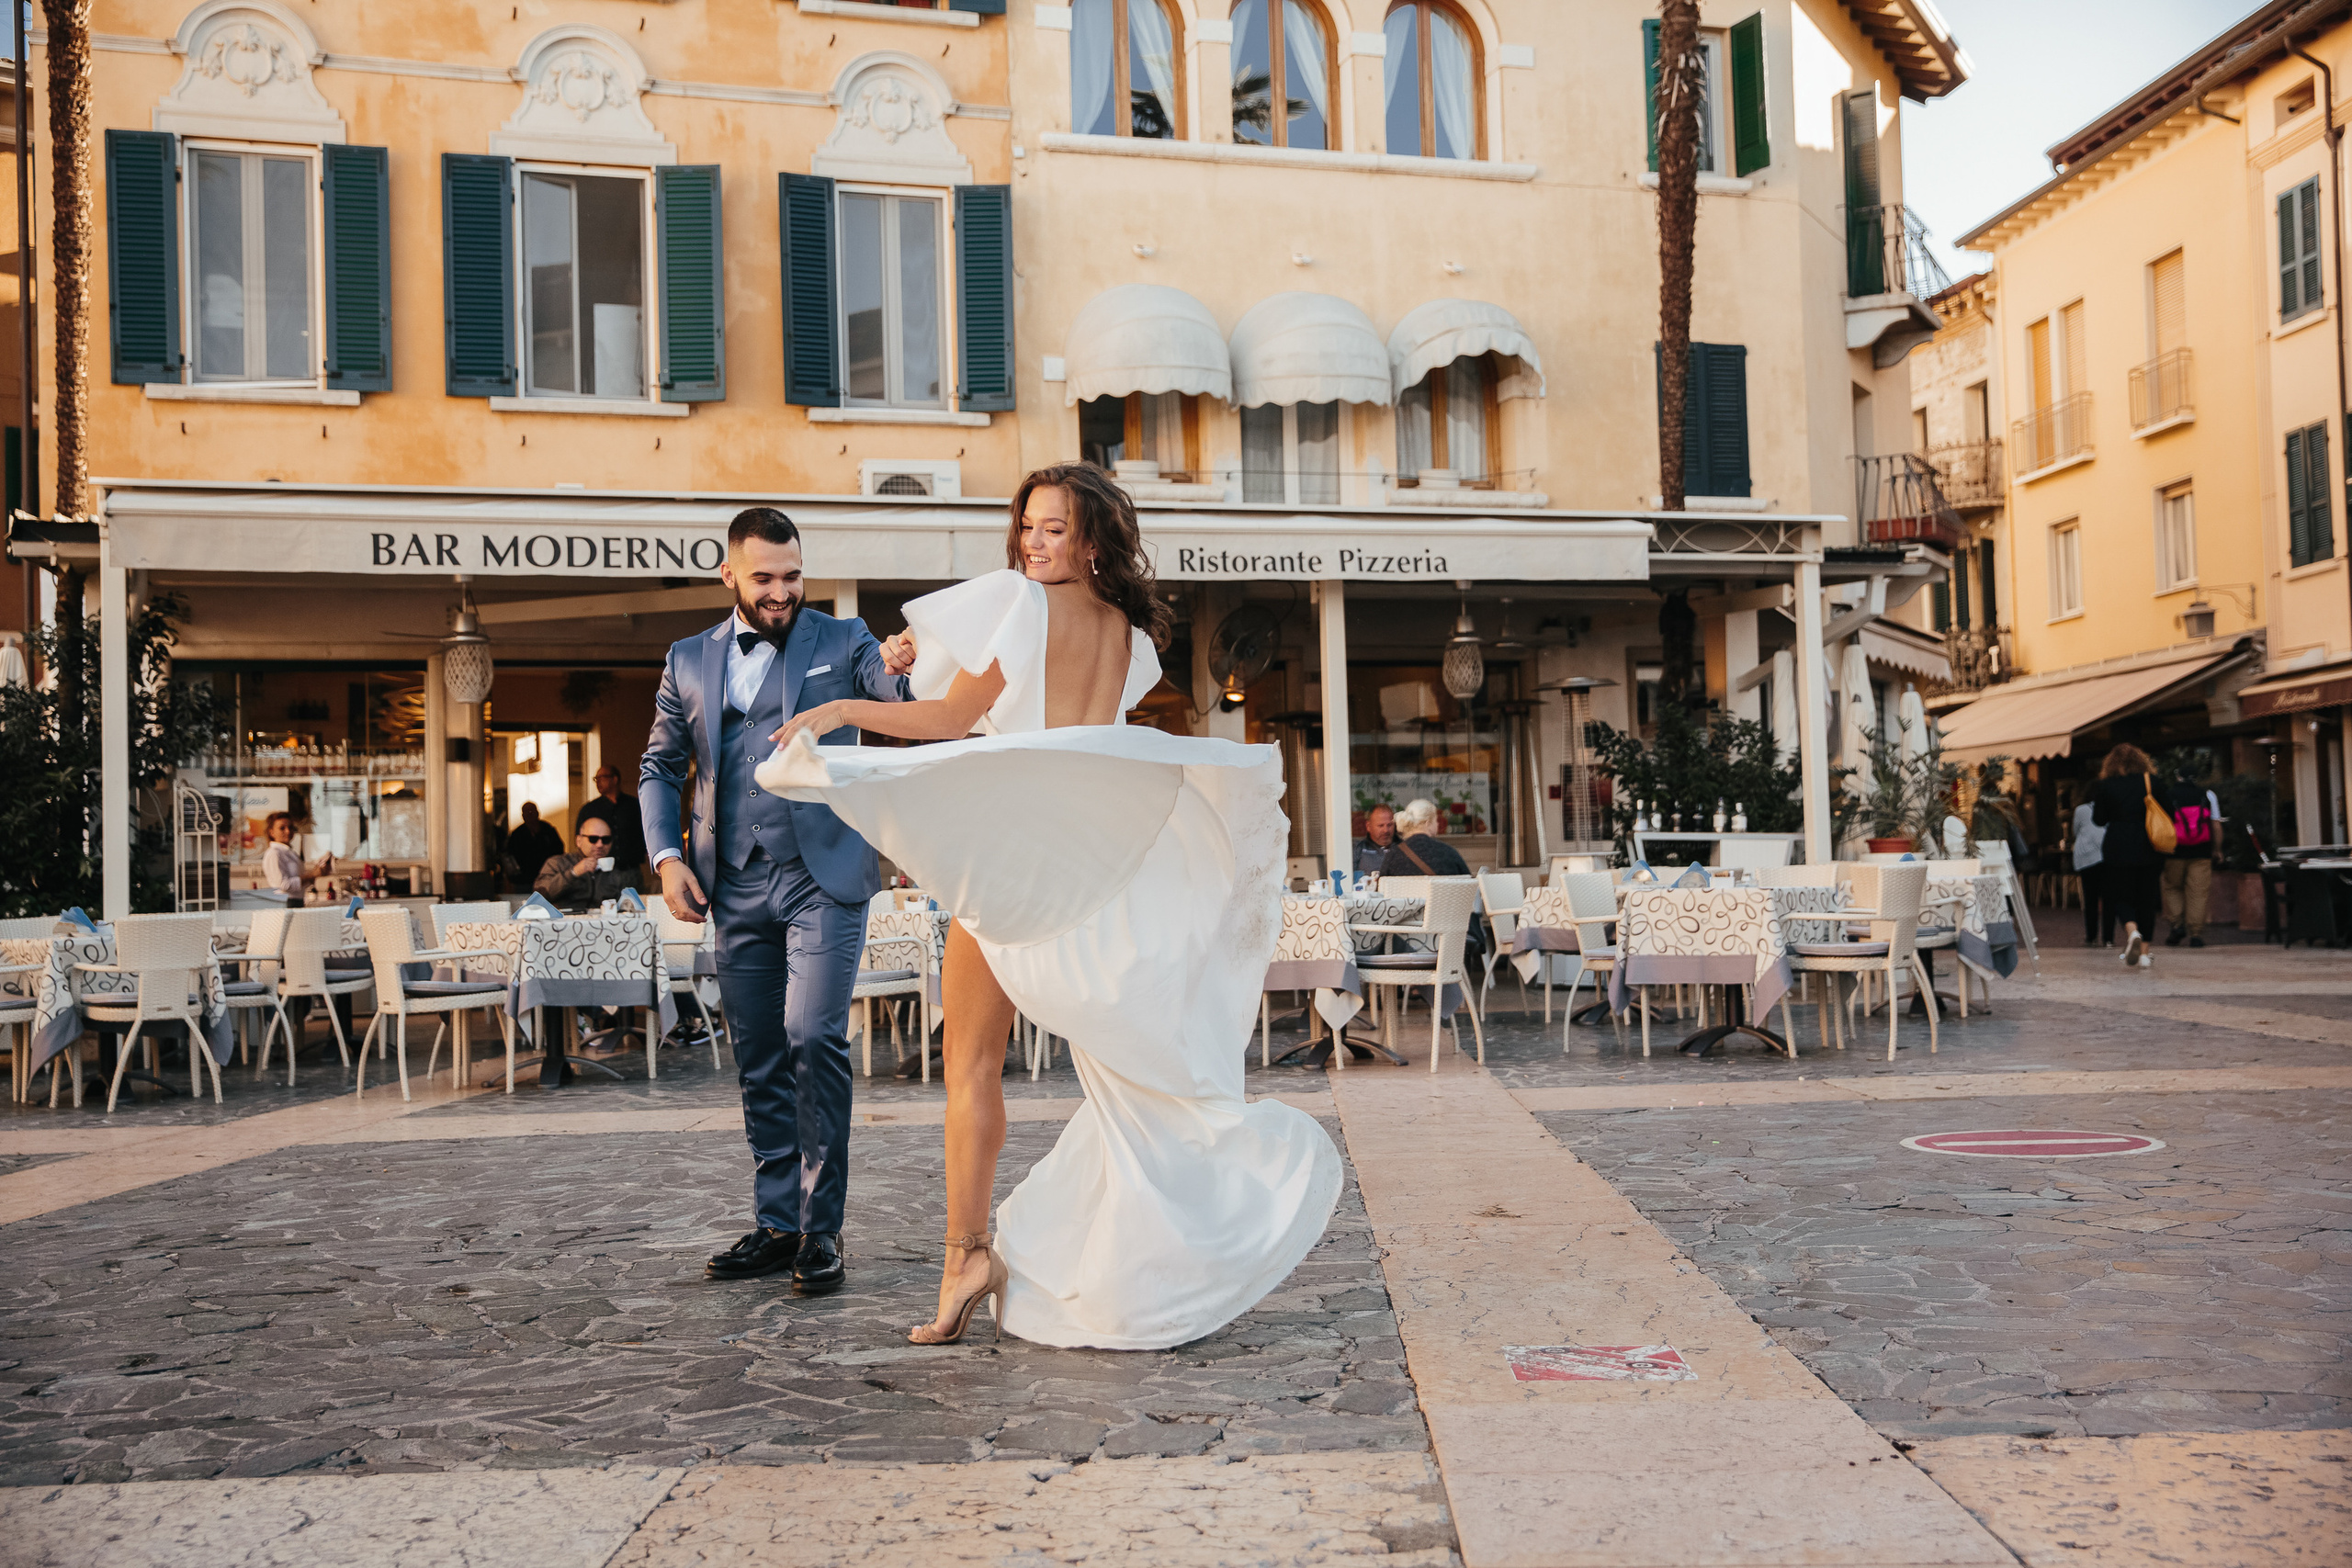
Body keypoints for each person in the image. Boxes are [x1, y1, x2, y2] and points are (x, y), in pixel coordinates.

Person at [763, 461, 1341, 1349]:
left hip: (1014, 859)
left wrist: (841, 708)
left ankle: (967, 1258)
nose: (1032, 543)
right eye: (1027, 525)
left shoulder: (1018, 602)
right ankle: (1124, 1242)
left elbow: (951, 722)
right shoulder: (1127, 633)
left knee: (971, 1066)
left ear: (1092, 540)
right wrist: (914, 656)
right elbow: (1071, 734)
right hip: (1091, 863)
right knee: (1113, 1078)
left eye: (1053, 529)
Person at [640, 506, 913, 1297]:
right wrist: (666, 858)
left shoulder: (844, 638)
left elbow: (892, 690)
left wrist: (904, 663)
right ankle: (778, 1221)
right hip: (731, 880)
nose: (781, 592)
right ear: (728, 573)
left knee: (811, 1035)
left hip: (821, 875)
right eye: (763, 577)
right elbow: (660, 766)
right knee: (759, 1051)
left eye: (793, 576)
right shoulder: (687, 659)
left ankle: (821, 1227)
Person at [1378, 797, 1485, 969]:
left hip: (1402, 944)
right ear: (1428, 823)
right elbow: (1468, 892)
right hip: (1447, 941)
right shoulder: (1448, 853)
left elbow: (1381, 896)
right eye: (1436, 820)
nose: (1437, 824)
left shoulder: (1393, 856)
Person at [2088, 742, 2165, 969]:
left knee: (2120, 894)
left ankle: (2132, 931)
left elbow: (2099, 819)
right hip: (2149, 844)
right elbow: (2169, 810)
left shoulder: (2106, 785)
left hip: (2117, 845)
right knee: (2147, 898)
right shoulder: (2152, 782)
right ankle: (2145, 954)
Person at [2162, 768, 2222, 948]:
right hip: (2201, 852)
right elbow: (2216, 825)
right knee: (2198, 893)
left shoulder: (2168, 795)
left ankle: (2177, 926)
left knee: (2172, 887)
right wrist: (2217, 849)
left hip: (2174, 851)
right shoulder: (2208, 795)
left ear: (2178, 776)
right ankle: (2196, 934)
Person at [532, 811, 638, 912]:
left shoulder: (614, 870)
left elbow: (626, 904)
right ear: (579, 841)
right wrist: (573, 872)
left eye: (606, 840)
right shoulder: (558, 863)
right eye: (593, 839)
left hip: (602, 922)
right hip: (563, 921)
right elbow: (539, 895)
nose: (600, 845)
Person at [590, 764, 648, 880]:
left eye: (602, 778)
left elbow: (645, 833)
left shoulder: (634, 805)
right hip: (601, 873)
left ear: (614, 779)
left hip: (630, 870)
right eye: (596, 779)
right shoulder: (591, 809)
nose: (598, 782)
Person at [259, 812, 330, 908]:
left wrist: (317, 873)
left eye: (291, 827)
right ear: (271, 832)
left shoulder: (290, 853)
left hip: (297, 902)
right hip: (285, 903)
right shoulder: (274, 854)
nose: (288, 831)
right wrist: (311, 875)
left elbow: (298, 885)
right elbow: (282, 886)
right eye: (282, 828)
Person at [2071, 797, 2112, 947]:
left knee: (2090, 899)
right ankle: (2108, 938)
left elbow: (2075, 830)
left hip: (2086, 856)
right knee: (2108, 899)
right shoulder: (2110, 808)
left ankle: (2091, 936)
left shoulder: (2081, 810)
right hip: (2107, 854)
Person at [505, 802, 562, 892]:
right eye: (527, 812)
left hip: (547, 877)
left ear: (538, 813)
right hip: (524, 880)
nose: (530, 815)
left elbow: (558, 850)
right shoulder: (517, 834)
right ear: (523, 816)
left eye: (532, 811)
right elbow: (511, 857)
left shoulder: (548, 830)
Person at [1353, 803, 1398, 880]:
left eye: (1389, 825)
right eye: (1381, 826)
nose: (1386, 830)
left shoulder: (1404, 849)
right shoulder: (1358, 849)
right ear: (1368, 826)